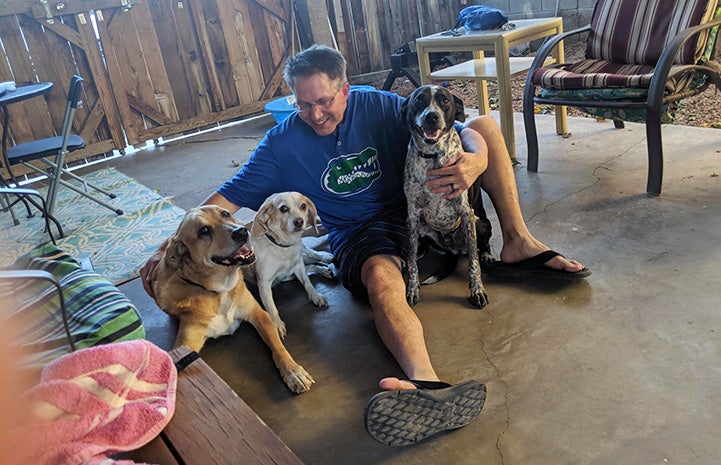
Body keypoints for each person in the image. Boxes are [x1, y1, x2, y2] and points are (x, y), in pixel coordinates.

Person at [141, 44, 589, 446]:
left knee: (486, 128)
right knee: (379, 275)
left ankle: (518, 242)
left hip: (417, 204)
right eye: (303, 104)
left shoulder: (381, 106)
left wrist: (477, 159)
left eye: (323, 102)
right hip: (360, 233)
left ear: (346, 91)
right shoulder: (281, 144)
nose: (315, 114)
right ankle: (426, 386)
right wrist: (169, 246)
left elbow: (465, 123)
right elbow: (222, 201)